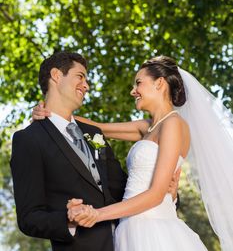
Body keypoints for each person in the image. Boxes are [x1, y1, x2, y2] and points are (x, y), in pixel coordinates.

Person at [65, 56, 233, 251]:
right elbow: (99, 128)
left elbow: (156, 194)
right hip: (130, 228)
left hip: (152, 229)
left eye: (138, 83)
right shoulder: (149, 127)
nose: (132, 91)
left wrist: (97, 214)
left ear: (159, 83)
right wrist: (53, 113)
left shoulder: (174, 124)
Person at [10, 51, 128, 251]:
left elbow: (124, 190)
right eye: (80, 76)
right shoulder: (28, 139)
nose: (86, 85)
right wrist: (69, 220)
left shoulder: (94, 133)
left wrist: (167, 197)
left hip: (126, 243)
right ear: (56, 75)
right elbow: (29, 217)